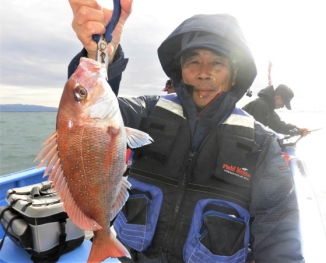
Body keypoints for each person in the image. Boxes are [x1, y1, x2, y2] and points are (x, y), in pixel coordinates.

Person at [68, 1, 304, 262]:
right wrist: (100, 58)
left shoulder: (261, 144)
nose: (204, 73)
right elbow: (88, 119)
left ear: (235, 75)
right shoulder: (147, 111)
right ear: (180, 71)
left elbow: (279, 233)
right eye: (193, 61)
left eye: (217, 63)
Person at [243, 84, 310, 136]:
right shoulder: (261, 106)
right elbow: (257, 133)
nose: (282, 106)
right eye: (283, 103)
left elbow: (279, 125)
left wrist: (298, 130)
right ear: (278, 97)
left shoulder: (268, 108)